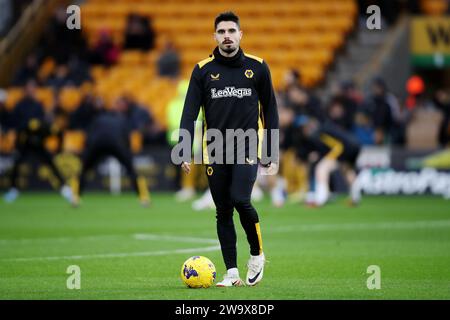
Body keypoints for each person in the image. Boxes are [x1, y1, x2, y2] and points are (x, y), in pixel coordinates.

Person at [177, 12, 279, 287]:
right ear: (215, 36)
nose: (227, 36)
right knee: (223, 210)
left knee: (240, 200)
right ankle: (231, 272)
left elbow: (270, 109)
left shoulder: (258, 67)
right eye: (221, 31)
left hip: (247, 144)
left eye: (231, 30)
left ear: (240, 34)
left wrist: (270, 150)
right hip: (215, 148)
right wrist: (184, 148)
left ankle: (257, 254)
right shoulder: (202, 70)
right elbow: (189, 113)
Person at [71, 98, 150, 207]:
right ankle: (144, 198)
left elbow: (88, 135)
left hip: (96, 144)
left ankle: (75, 197)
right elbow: (127, 138)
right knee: (131, 171)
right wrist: (127, 153)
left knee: (84, 170)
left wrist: (87, 149)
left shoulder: (98, 118)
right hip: (117, 144)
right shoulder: (122, 119)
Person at [3, 79, 72, 203]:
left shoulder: (38, 105)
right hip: (25, 141)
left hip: (38, 141)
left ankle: (64, 188)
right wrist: (27, 128)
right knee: (17, 164)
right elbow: (16, 123)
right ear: (25, 90)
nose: (32, 90)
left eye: (33, 88)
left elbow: (42, 123)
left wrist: (39, 129)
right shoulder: (20, 105)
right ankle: (13, 190)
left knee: (51, 163)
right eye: (30, 88)